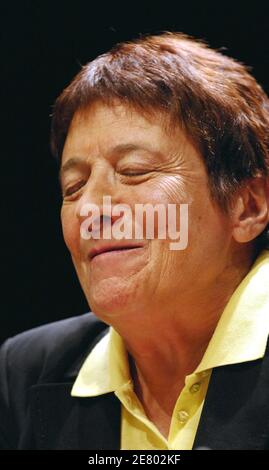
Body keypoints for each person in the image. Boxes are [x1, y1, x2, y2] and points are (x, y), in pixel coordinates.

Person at [1, 32, 269, 450]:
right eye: (73, 187)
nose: (90, 209)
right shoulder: (24, 370)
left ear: (247, 207)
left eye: (135, 170)